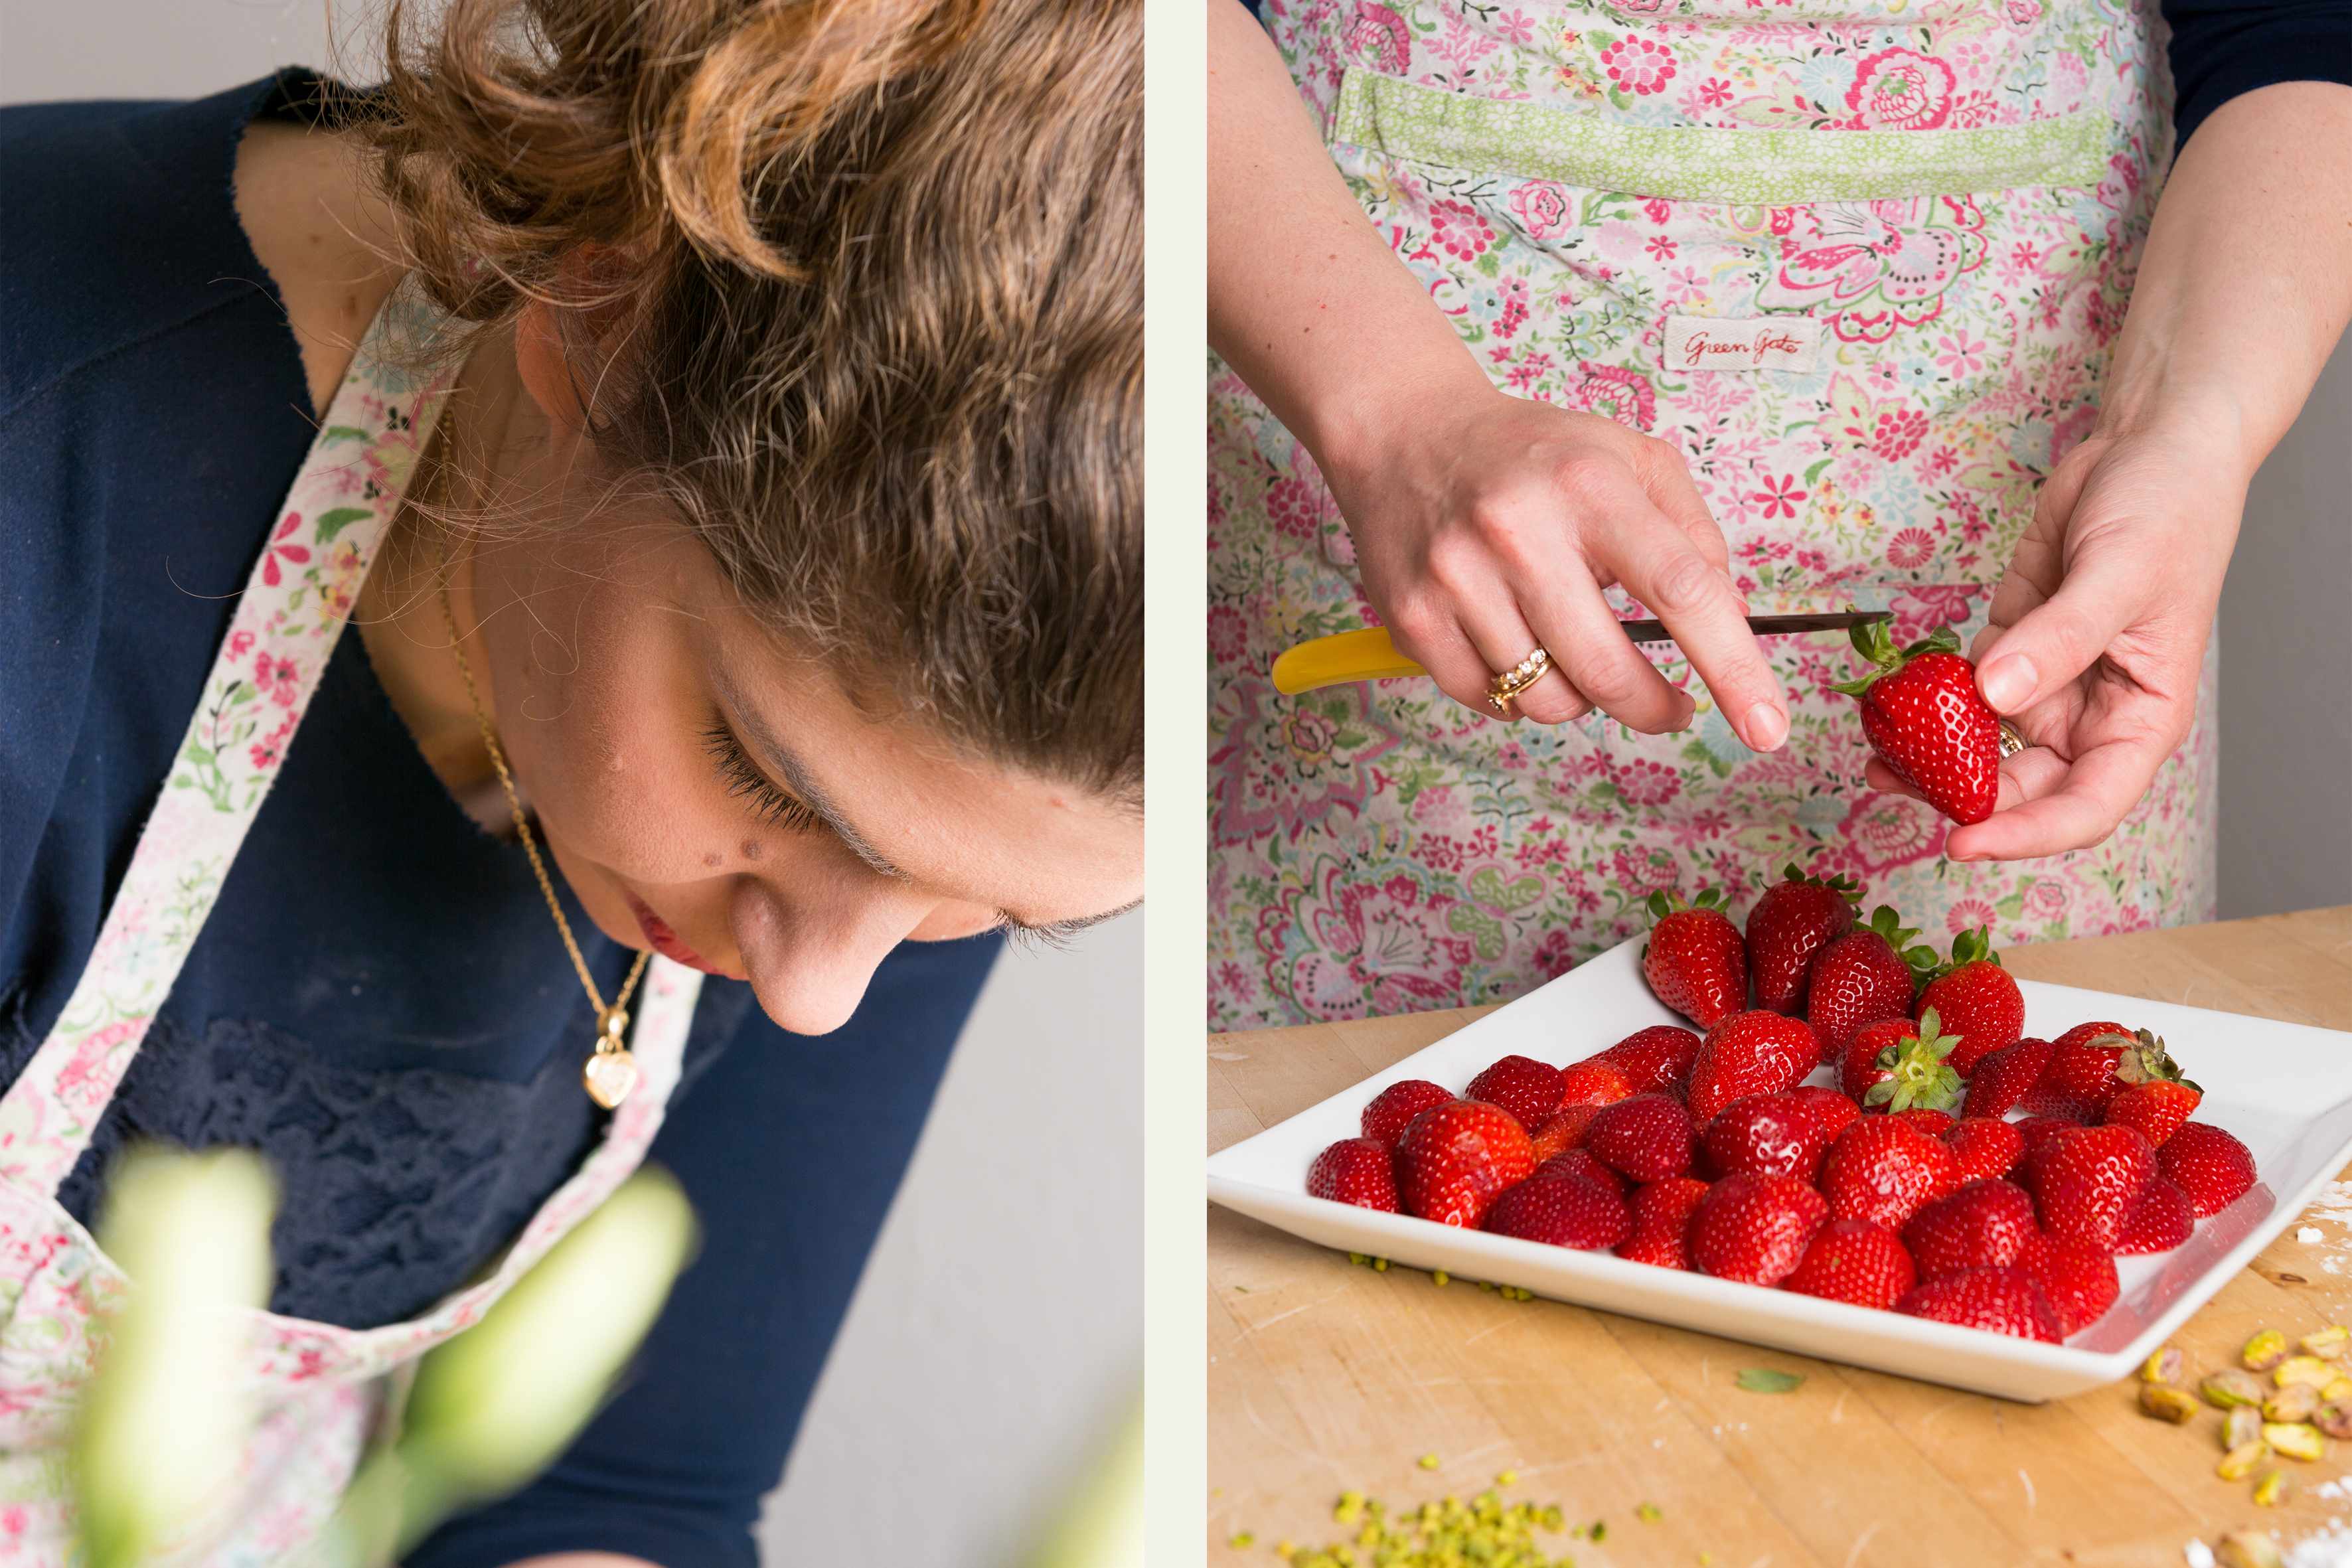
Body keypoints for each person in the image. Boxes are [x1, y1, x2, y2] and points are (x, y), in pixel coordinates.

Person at [0, 0, 1139, 1561]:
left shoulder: (928, 807)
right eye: (769, 774)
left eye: (995, 911)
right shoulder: (35, 476)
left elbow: (622, 1490)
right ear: (600, 323)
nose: (819, 991)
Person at [1207, 0, 2351, 1029]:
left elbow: (2303, 26)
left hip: (2044, 730)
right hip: (1383, 791)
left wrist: (2184, 431)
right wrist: (1399, 414)